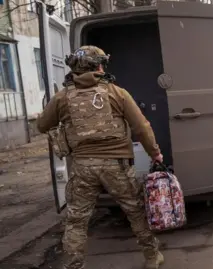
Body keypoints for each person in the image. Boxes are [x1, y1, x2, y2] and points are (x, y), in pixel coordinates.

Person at [36, 45, 164, 269]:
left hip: (83, 167)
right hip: (117, 166)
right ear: (99, 66)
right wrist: (155, 153)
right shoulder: (117, 92)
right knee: (135, 211)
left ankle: (74, 266)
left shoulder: (62, 98)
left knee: (77, 220)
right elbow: (142, 127)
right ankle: (152, 256)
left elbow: (42, 125)